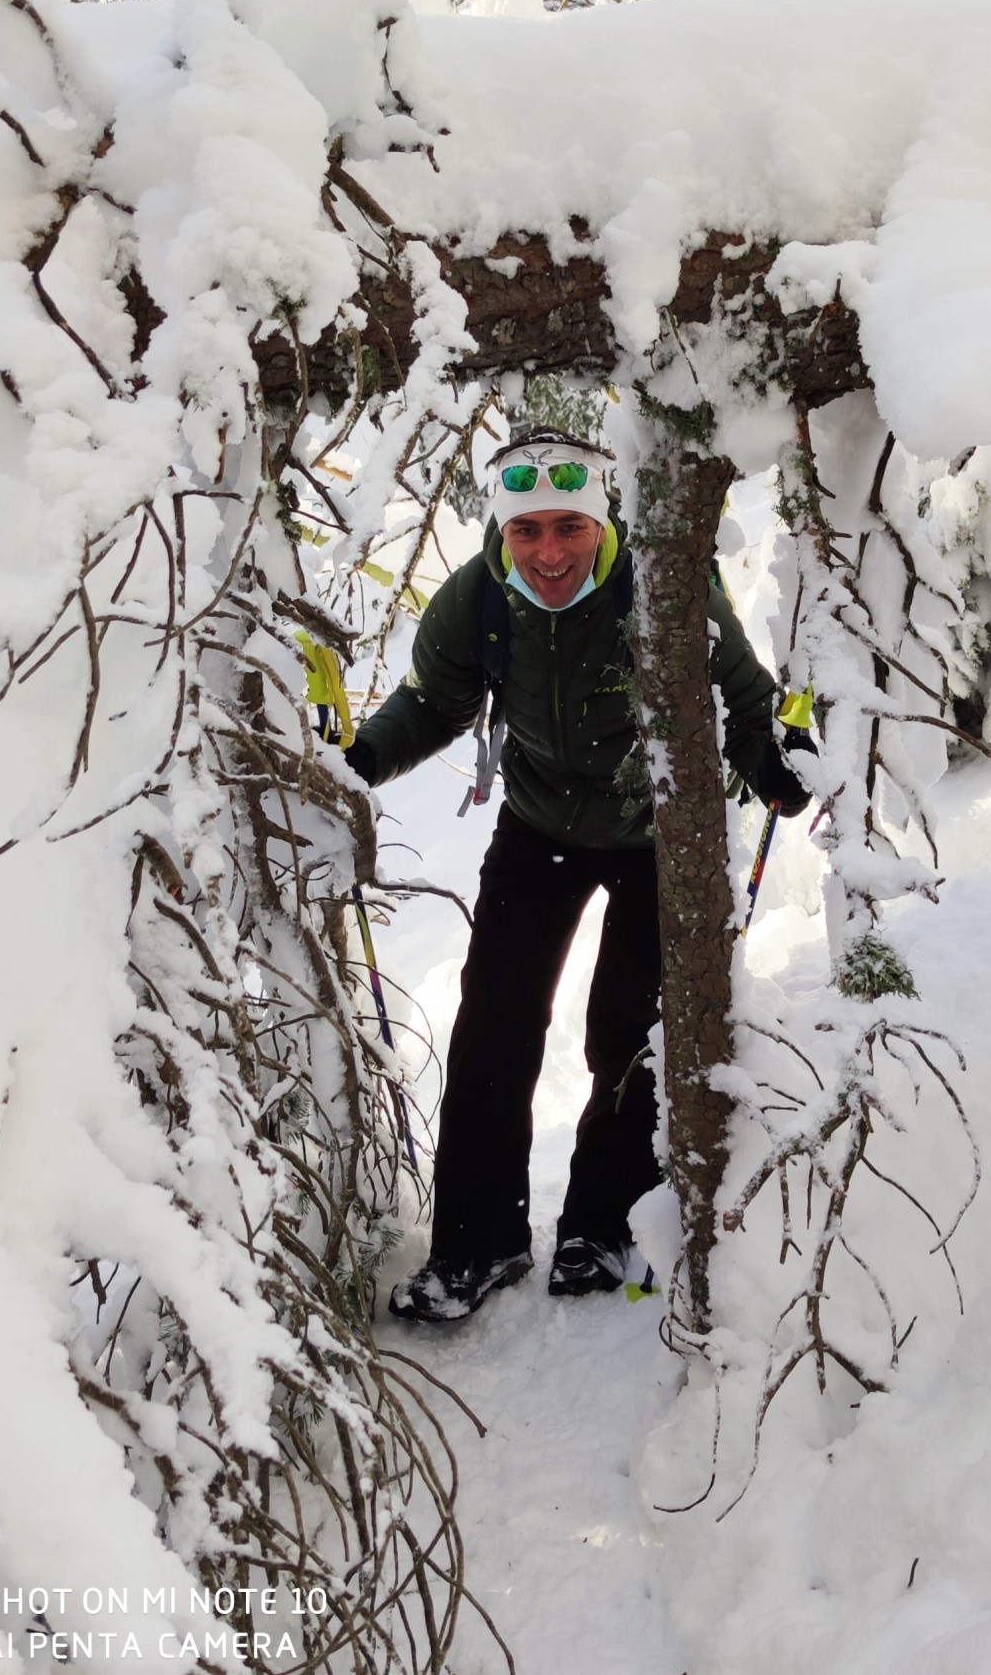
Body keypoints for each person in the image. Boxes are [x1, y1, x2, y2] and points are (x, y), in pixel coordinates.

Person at [341, 429, 810, 1323]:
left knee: (626, 1032)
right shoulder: (478, 599)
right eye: (527, 531)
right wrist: (361, 758)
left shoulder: (666, 590)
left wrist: (780, 767)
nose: (549, 551)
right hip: (538, 826)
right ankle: (478, 1242)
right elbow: (436, 702)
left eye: (569, 526)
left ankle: (602, 1225)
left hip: (653, 835)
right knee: (492, 1025)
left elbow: (742, 709)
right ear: (502, 532)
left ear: (600, 522)